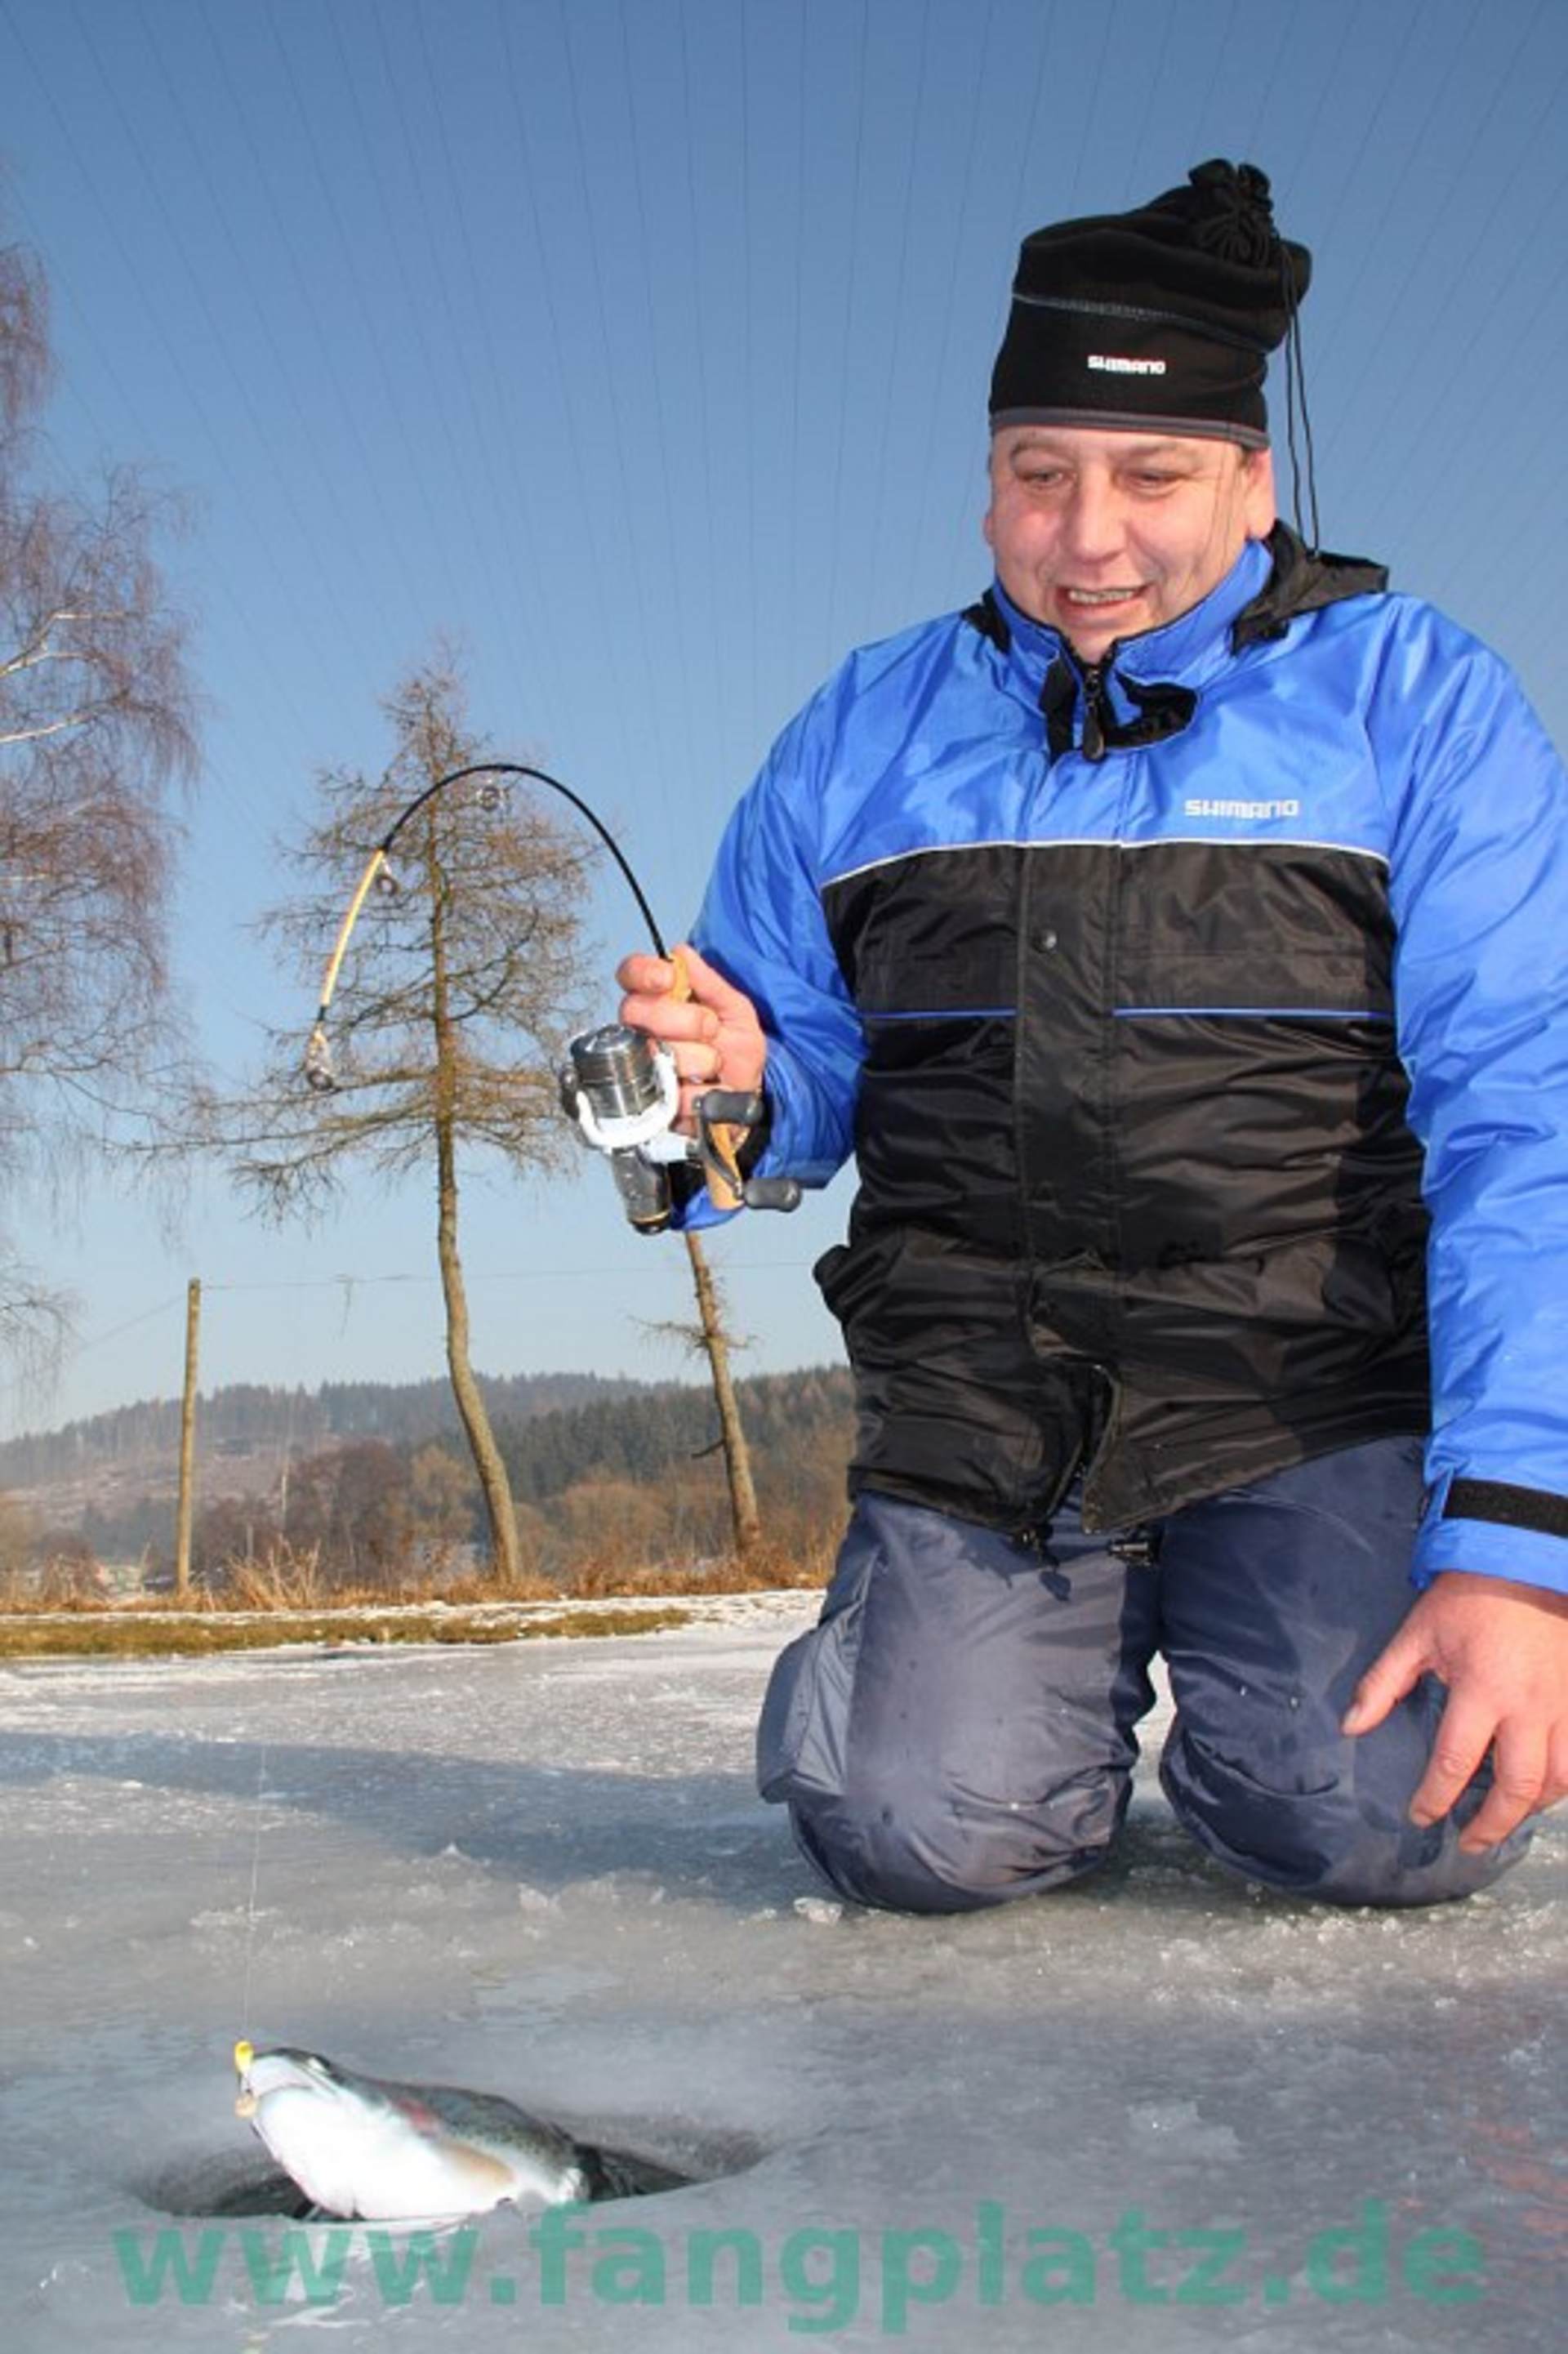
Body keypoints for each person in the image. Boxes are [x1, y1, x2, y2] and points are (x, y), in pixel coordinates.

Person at [617, 160, 1568, 1913]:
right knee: (916, 1833)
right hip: (985, 1395)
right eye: (1038, 475)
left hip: (1313, 1387)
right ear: (985, 484)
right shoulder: (866, 725)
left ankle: (1263, 1699)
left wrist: (1516, 1546)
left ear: (1255, 479)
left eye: (1152, 475)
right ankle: (952, 1679)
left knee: (1386, 1824)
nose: (1089, 535)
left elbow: (1532, 1115)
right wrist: (725, 1094)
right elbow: (788, 1091)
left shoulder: (1421, 704)